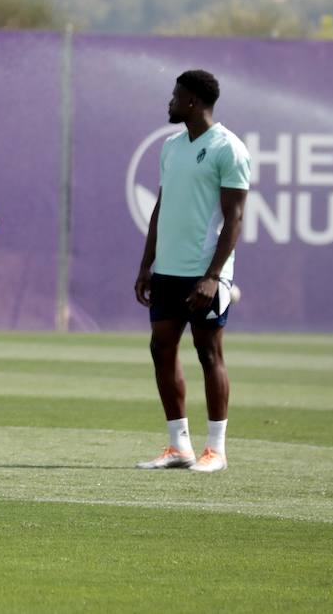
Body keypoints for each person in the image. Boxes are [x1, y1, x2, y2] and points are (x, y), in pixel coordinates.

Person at [134, 70, 249, 473]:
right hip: (167, 270)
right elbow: (161, 207)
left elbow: (235, 219)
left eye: (175, 95)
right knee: (160, 348)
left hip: (205, 273)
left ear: (193, 102)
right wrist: (147, 264)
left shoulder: (228, 148)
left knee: (208, 352)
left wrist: (213, 276)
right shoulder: (171, 146)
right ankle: (178, 446)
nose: (169, 101)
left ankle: (215, 450)